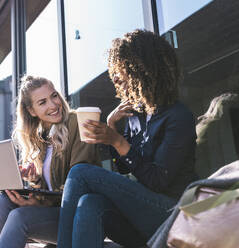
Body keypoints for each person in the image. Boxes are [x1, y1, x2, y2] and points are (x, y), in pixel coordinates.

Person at [57, 29, 197, 248]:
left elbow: (157, 180)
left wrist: (117, 141)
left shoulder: (178, 116)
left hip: (173, 215)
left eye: (120, 67)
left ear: (142, 67)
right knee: (90, 203)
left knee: (79, 172)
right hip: (142, 216)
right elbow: (124, 168)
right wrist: (112, 129)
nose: (114, 76)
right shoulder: (135, 116)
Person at [0, 75, 101, 248]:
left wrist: (41, 204)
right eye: (42, 102)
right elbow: (50, 186)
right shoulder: (40, 138)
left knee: (19, 218)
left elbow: (79, 184)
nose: (53, 105)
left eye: (54, 96)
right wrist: (35, 181)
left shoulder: (77, 122)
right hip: (53, 211)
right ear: (31, 111)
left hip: (77, 215)